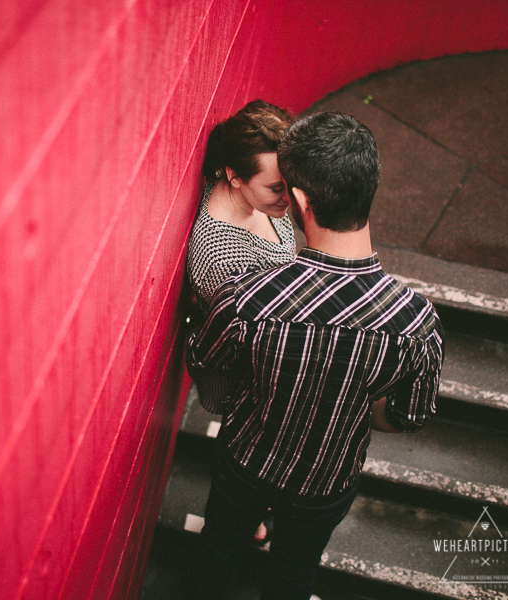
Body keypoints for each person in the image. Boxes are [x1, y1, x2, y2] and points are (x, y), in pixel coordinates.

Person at [184, 111, 444, 600]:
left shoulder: (247, 299)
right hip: (327, 479)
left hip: (246, 460)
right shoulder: (416, 325)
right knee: (293, 576)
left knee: (217, 551)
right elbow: (407, 416)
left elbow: (210, 357)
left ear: (300, 199)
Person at [186, 99, 297, 546]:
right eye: (277, 189)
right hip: (247, 376)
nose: (289, 199)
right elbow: (243, 344)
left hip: (271, 352)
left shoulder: (261, 201)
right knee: (246, 451)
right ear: (233, 175)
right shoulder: (223, 255)